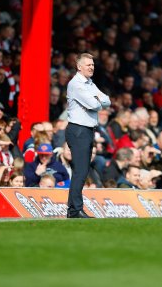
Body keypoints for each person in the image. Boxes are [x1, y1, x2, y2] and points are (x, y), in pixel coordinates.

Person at [65, 53, 110, 218]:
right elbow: (95, 104)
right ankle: (74, 210)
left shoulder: (89, 83)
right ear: (79, 67)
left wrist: (98, 100)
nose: (91, 67)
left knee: (82, 171)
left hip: (87, 130)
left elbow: (107, 101)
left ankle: (74, 209)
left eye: (92, 65)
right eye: (88, 65)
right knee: (80, 171)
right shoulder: (76, 84)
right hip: (79, 130)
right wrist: (98, 100)